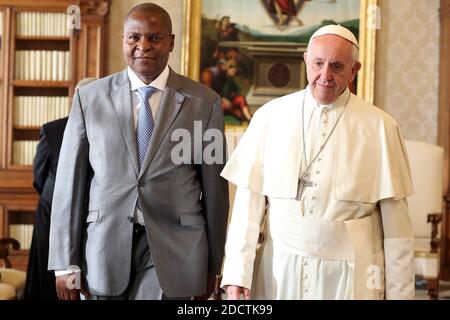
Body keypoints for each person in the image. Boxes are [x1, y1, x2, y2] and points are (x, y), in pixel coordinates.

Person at [48, 3, 229, 300]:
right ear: (123, 40)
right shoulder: (89, 99)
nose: (143, 46)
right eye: (134, 38)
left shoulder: (204, 102)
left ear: (171, 41)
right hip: (104, 249)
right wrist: (64, 263)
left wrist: (214, 266)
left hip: (177, 251)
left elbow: (215, 193)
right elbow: (69, 185)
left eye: (155, 38)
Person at [220, 25, 415, 300]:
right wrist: (237, 274)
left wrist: (401, 295)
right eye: (318, 64)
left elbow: (398, 233)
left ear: (354, 70)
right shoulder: (269, 117)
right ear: (306, 62)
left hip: (351, 275)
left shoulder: (382, 127)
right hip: (279, 269)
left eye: (337, 66)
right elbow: (247, 209)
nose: (325, 75)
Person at [24, 78, 96, 300]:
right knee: (49, 277)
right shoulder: (53, 129)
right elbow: (39, 176)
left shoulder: (108, 131)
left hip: (92, 217)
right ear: (74, 98)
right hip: (52, 215)